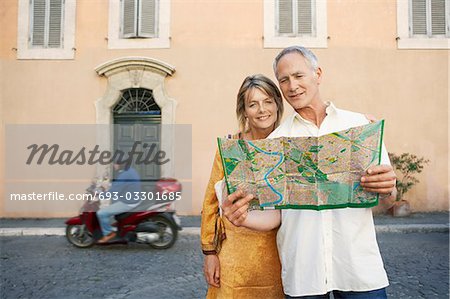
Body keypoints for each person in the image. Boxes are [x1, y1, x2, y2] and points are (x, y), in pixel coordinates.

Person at [222, 46, 397, 298]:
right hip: (304, 275)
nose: (292, 86)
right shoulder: (276, 141)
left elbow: (388, 197)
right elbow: (277, 215)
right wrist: (241, 217)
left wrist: (389, 187)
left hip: (359, 270)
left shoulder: (360, 126)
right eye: (284, 80)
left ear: (318, 74)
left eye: (298, 75)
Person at [201, 74, 285, 298]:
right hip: (233, 256)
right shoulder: (229, 148)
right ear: (244, 110)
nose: (262, 110)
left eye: (268, 101)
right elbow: (210, 202)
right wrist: (209, 253)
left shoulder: (290, 145)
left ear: (278, 103)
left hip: (279, 253)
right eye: (253, 104)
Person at [97, 157, 141, 243]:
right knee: (111, 207)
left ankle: (109, 233)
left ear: (120, 165)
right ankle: (117, 226)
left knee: (102, 213)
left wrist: (100, 195)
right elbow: (119, 186)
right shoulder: (129, 171)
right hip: (132, 198)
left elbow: (114, 192)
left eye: (115, 164)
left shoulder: (125, 174)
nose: (113, 166)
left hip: (128, 202)